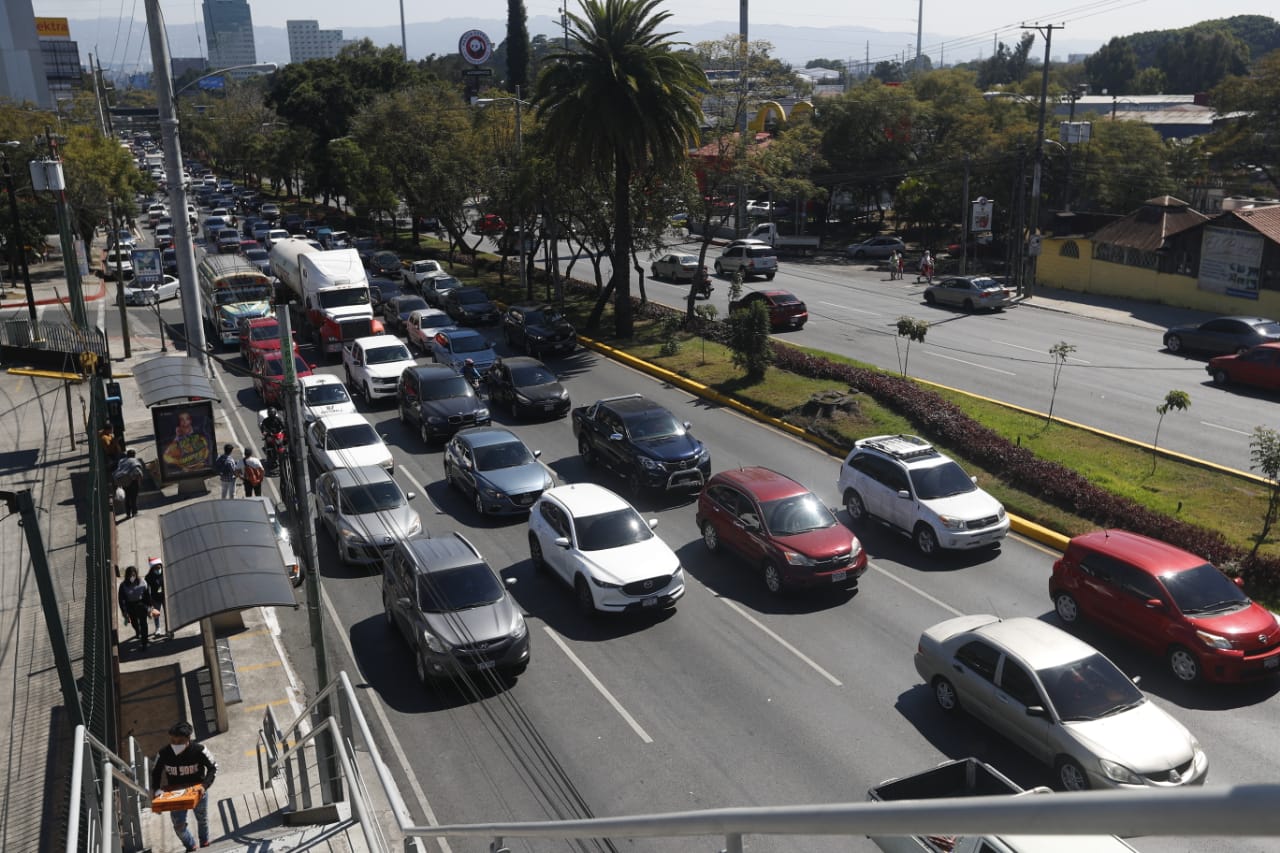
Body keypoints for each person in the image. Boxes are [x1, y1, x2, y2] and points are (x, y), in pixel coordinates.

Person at [151, 721, 218, 851]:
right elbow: (156, 772)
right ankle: (190, 845)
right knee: (178, 826)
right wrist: (157, 789)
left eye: (179, 741)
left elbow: (213, 768)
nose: (175, 744)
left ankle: (204, 843)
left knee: (202, 819)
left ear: (188, 739)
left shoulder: (200, 750)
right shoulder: (164, 753)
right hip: (175, 794)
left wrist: (204, 786)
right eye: (172, 741)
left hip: (198, 791)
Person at [162, 409, 212, 475]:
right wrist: (177, 438)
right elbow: (166, 455)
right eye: (182, 419)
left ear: (190, 420)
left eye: (187, 419)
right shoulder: (175, 436)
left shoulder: (199, 433)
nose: (185, 422)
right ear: (179, 422)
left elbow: (207, 449)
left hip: (199, 465)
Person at [117, 566, 152, 650]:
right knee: (134, 622)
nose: (132, 577)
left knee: (144, 624)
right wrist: (124, 611)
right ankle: (137, 630)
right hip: (131, 606)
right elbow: (121, 599)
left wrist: (149, 607)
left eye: (133, 575)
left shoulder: (142, 582)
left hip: (141, 605)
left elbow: (147, 595)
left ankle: (145, 642)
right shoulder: (123, 586)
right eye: (130, 575)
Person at [113, 449, 146, 518]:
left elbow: (119, 469)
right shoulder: (134, 461)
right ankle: (134, 512)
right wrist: (139, 482)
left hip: (124, 482)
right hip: (133, 482)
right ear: (134, 455)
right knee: (133, 498)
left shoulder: (121, 461)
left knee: (127, 498)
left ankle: (128, 514)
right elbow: (138, 473)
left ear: (127, 455)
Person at [144, 557, 165, 636]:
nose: (158, 569)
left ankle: (169, 629)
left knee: (168, 614)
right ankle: (158, 628)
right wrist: (150, 601)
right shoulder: (148, 577)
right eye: (156, 568)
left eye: (159, 568)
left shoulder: (164, 573)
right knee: (156, 614)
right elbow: (147, 590)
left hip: (165, 597)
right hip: (155, 598)